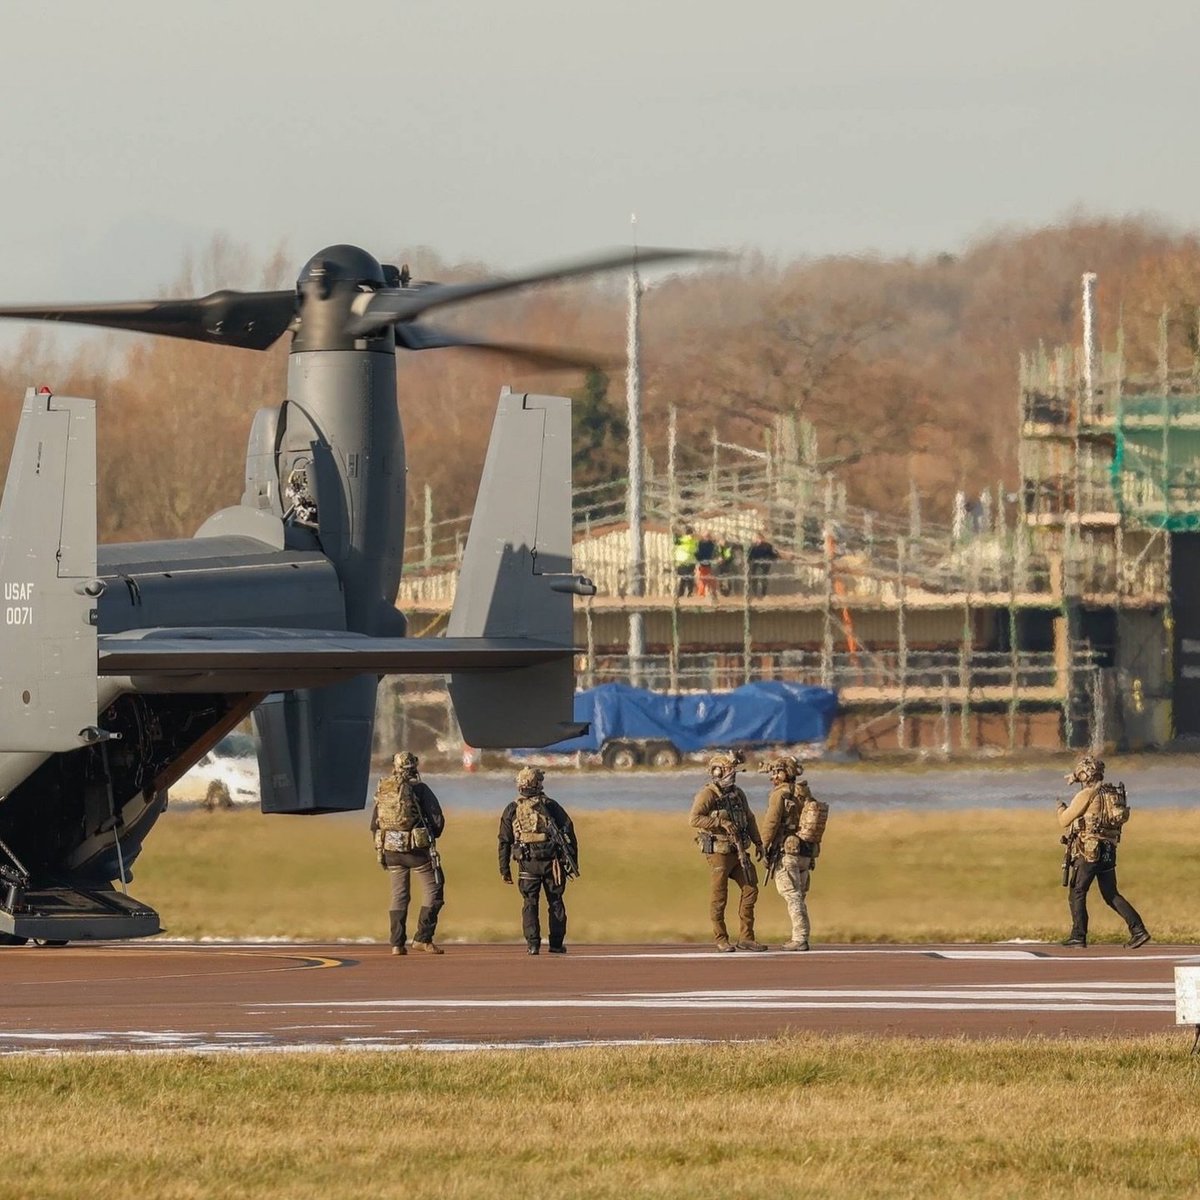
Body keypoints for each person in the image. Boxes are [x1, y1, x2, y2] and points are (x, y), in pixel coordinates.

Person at [1057, 755, 1149, 950]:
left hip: (1089, 851)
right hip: (1108, 850)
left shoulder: (1086, 795)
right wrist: (1075, 776)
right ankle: (1138, 930)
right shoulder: (1109, 794)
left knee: (1077, 892)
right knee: (1111, 893)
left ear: (1085, 775)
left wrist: (1060, 808)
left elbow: (1064, 820)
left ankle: (1078, 935)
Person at [689, 750, 766, 952]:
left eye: (734, 771)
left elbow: (749, 818)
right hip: (719, 852)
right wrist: (719, 822)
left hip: (739, 850)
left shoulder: (738, 794)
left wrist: (759, 843)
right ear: (716, 772)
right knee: (719, 896)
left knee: (751, 889)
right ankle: (721, 938)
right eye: (728, 771)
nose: (733, 775)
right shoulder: (707, 794)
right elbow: (694, 819)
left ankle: (746, 937)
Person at [370, 751, 446, 956]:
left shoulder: (385, 789)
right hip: (417, 852)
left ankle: (397, 944)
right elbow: (437, 820)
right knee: (434, 889)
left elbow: (374, 824)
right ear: (414, 767)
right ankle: (423, 938)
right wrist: (429, 836)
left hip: (391, 852)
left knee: (399, 895)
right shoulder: (420, 789)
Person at [498, 766, 579, 955]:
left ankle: (533, 944)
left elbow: (504, 840)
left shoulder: (512, 808)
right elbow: (569, 830)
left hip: (527, 863)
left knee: (529, 902)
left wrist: (504, 869)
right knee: (556, 902)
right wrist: (573, 859)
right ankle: (556, 944)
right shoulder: (551, 806)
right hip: (552, 863)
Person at [759, 756, 822, 951]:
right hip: (806, 851)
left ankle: (800, 937)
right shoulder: (805, 793)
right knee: (799, 895)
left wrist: (763, 846)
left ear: (786, 773)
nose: (773, 777)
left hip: (787, 852)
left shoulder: (780, 794)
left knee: (791, 894)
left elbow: (771, 822)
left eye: (777, 772)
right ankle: (800, 936)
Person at [747, 532, 780, 598]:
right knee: (753, 578)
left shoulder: (768, 546)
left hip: (764, 564)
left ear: (759, 538)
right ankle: (754, 593)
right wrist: (749, 561)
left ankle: (763, 594)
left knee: (763, 578)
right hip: (755, 564)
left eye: (755, 537)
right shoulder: (753, 546)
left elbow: (775, 554)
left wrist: (769, 560)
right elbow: (749, 556)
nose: (753, 539)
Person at [673, 525, 698, 597]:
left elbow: (676, 540)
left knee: (685, 578)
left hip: (684, 561)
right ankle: (687, 592)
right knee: (687, 578)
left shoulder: (686, 539)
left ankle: (683, 593)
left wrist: (675, 532)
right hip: (690, 561)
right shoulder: (693, 540)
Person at [695, 530, 718, 597]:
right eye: (705, 536)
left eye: (708, 536)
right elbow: (697, 553)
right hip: (701, 563)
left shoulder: (711, 544)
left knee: (711, 580)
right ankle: (701, 594)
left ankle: (712, 593)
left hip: (710, 563)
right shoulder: (699, 544)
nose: (706, 537)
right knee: (702, 579)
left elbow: (714, 552)